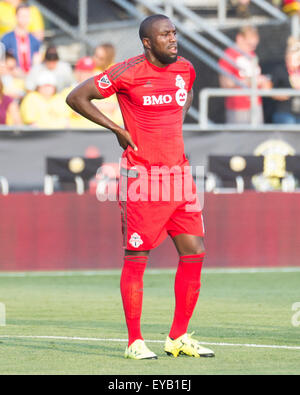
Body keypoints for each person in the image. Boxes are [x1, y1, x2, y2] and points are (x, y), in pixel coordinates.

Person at [66, 14, 215, 360]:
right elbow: (77, 97)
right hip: (143, 179)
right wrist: (117, 129)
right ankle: (135, 341)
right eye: (165, 35)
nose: (173, 40)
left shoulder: (185, 69)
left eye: (174, 33)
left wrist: (173, 126)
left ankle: (177, 337)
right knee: (137, 257)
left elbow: (185, 93)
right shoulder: (127, 72)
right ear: (147, 42)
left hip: (180, 177)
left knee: (195, 252)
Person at [218, 25, 272, 124]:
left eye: (254, 45)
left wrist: (263, 82)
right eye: (249, 45)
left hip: (255, 104)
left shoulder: (252, 55)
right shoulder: (229, 55)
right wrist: (249, 81)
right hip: (238, 107)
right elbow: (225, 83)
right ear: (240, 38)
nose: (252, 48)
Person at [62, 56, 123, 129]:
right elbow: (73, 112)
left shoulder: (101, 88)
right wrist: (102, 107)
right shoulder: (68, 91)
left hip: (103, 132)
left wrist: (85, 105)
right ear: (77, 73)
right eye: (84, 71)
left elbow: (112, 106)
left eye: (90, 71)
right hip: (79, 131)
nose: (88, 74)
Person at [1, 3, 41, 74]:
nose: (24, 19)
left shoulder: (34, 41)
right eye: (22, 16)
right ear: (16, 17)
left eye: (27, 16)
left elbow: (37, 64)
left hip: (30, 78)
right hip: (11, 78)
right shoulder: (6, 39)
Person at [271, 37, 300, 123]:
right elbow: (271, 90)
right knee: (289, 122)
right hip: (284, 111)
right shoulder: (280, 70)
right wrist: (282, 95)